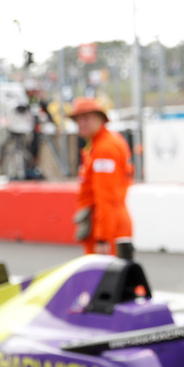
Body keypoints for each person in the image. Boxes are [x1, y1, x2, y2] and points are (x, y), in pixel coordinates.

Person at [70, 97, 134, 256]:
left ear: (100, 119)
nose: (81, 123)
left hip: (109, 229)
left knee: (106, 279)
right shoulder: (99, 144)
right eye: (78, 119)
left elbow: (107, 198)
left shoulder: (104, 149)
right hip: (106, 225)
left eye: (86, 118)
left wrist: (102, 238)